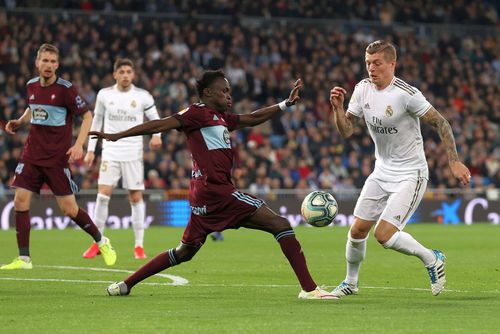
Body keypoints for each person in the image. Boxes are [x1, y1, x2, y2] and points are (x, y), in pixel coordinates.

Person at [90, 69, 336, 300]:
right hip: (218, 192)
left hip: (202, 197)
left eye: (229, 91)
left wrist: (286, 104)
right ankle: (309, 289)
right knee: (281, 224)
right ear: (208, 93)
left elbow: (252, 118)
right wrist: (117, 135)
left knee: (184, 252)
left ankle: (126, 284)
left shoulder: (220, 118)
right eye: (223, 91)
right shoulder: (196, 114)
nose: (229, 96)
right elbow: (160, 124)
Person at [329, 40, 471, 296]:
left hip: (411, 174)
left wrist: (453, 161)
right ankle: (351, 283)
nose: (371, 68)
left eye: (377, 63)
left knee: (383, 235)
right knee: (357, 230)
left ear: (392, 64)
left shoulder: (406, 94)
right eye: (367, 63)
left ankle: (432, 258)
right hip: (381, 171)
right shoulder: (362, 89)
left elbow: (442, 123)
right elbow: (347, 131)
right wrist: (338, 110)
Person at [0, 43, 116, 270]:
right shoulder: (31, 85)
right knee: (20, 201)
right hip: (32, 155)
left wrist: (79, 144)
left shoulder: (66, 90)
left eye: (53, 61)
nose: (49, 65)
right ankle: (24, 259)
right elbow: (32, 107)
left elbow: (87, 115)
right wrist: (20, 121)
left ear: (58, 65)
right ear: (37, 62)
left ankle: (102, 241)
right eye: (45, 60)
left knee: (69, 210)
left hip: (56, 159)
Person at [82, 58, 162, 260]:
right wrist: (91, 149)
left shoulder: (142, 96)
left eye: (128, 71)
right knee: (103, 194)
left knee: (135, 198)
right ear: (114, 74)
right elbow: (97, 120)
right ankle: (97, 243)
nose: (125, 75)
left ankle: (139, 246)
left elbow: (156, 120)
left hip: (133, 152)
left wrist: (157, 135)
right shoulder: (105, 95)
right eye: (122, 71)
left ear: (133, 75)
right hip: (110, 150)